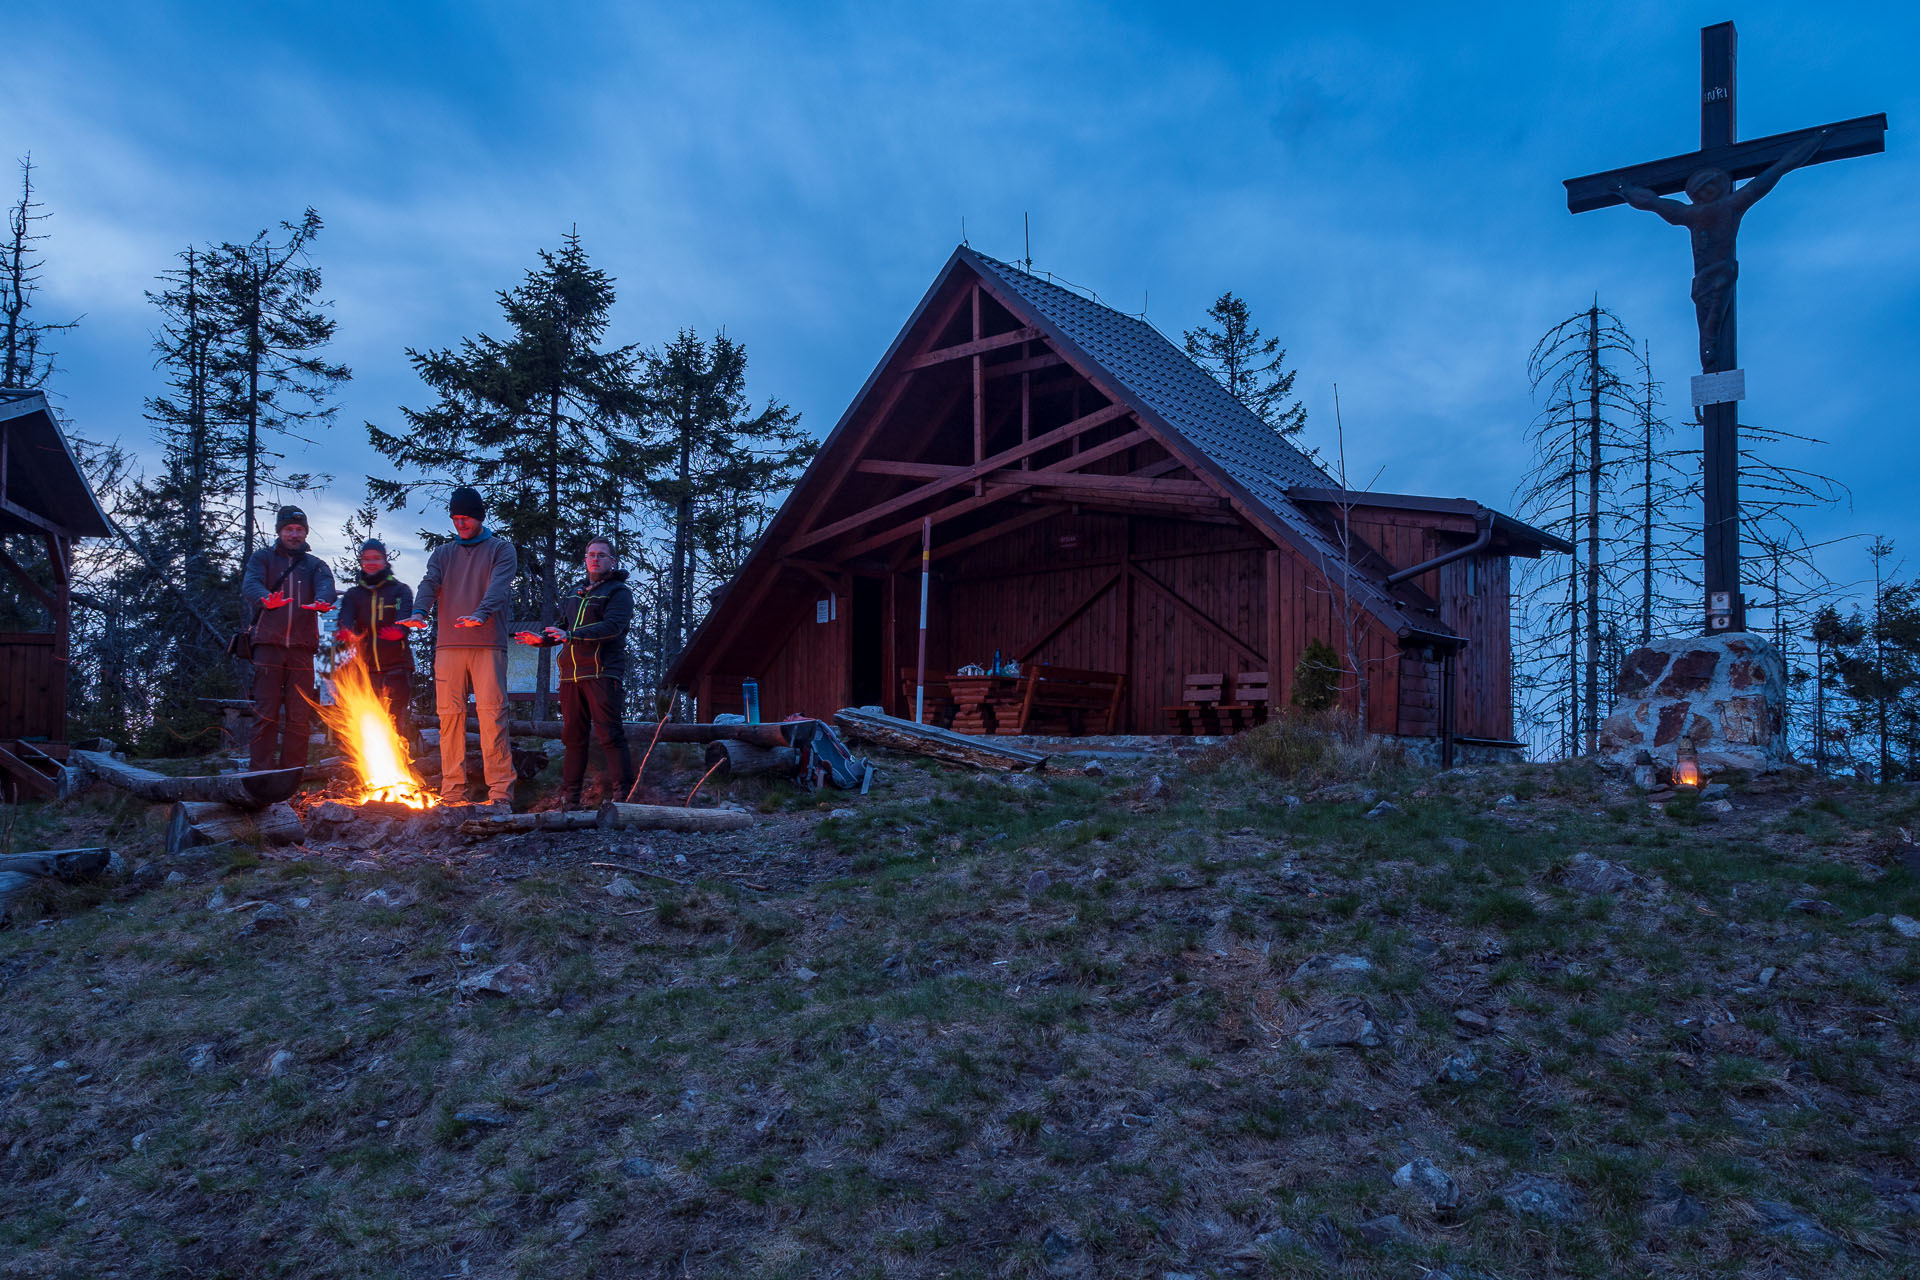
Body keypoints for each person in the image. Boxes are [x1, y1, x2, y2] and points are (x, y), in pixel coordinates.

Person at [401, 487, 517, 809]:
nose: (460, 523)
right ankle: (453, 793)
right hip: (449, 645)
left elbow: (498, 587)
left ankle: (500, 794)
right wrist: (419, 612)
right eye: (455, 518)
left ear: (478, 516)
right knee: (449, 718)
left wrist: (480, 614)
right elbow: (430, 582)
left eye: (465, 517)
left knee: (493, 716)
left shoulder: (501, 550)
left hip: (488, 644)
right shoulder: (443, 553)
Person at [516, 536, 635, 807]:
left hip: (601, 673)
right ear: (585, 560)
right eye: (591, 554)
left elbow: (612, 627)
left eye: (601, 555)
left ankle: (624, 797)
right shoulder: (575, 592)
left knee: (609, 734)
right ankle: (570, 799)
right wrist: (542, 640)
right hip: (570, 676)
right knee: (573, 737)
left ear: (612, 561)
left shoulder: (618, 593)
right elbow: (561, 626)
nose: (595, 558)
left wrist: (570, 635)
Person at [240, 505, 336, 771]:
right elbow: (250, 584)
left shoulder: (315, 565)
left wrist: (322, 601)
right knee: (265, 712)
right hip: (268, 645)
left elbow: (327, 586)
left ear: (305, 532)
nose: (294, 534)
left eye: (299, 530)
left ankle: (291, 773)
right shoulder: (263, 558)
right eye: (289, 529)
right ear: (280, 531)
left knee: (299, 714)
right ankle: (260, 771)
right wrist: (265, 599)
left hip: (302, 649)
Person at [334, 538, 416, 746]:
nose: (371, 563)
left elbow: (405, 616)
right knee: (368, 720)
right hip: (365, 668)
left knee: (396, 721)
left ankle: (400, 769)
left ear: (385, 561)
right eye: (367, 559)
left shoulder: (400, 590)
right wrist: (348, 634)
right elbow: (345, 619)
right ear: (361, 561)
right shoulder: (353, 594)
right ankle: (370, 769)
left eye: (376, 558)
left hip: (397, 666)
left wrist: (400, 630)